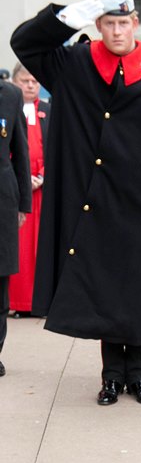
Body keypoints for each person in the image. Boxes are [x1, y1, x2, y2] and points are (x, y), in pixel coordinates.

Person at [11, 0, 141, 405]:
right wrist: (62, 19)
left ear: (135, 23)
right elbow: (24, 44)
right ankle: (111, 376)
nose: (117, 31)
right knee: (106, 289)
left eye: (123, 23)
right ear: (98, 25)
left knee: (136, 290)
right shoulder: (75, 65)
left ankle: (138, 374)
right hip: (94, 203)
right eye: (109, 23)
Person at [9, 62, 50, 317]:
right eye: (25, 81)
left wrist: (42, 176)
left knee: (41, 246)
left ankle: (40, 301)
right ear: (15, 82)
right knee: (20, 248)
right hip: (16, 189)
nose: (31, 85)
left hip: (43, 189)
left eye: (35, 81)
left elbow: (56, 147)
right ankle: (19, 302)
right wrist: (21, 179)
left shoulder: (49, 110)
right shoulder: (7, 108)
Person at [0, 79, 32, 377]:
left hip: (3, 200)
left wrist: (24, 203)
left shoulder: (10, 95)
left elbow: (20, 151)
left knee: (0, 280)